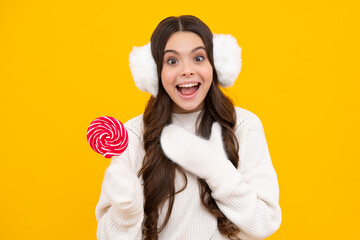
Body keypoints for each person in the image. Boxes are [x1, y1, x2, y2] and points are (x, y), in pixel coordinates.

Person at [95, 15, 282, 240]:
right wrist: (127, 211)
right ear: (154, 72)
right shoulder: (133, 135)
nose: (187, 70)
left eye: (199, 58)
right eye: (172, 61)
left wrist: (216, 168)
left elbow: (264, 223)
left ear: (216, 64)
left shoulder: (243, 126)